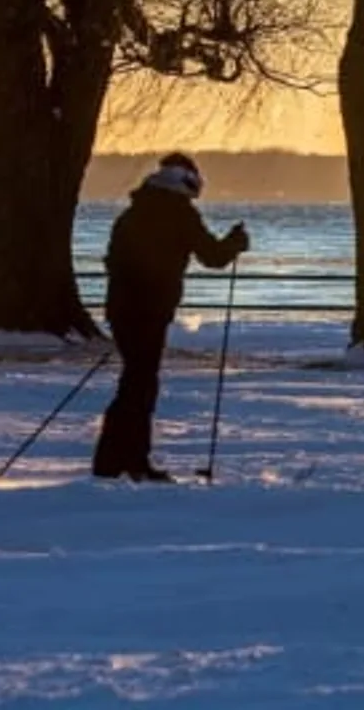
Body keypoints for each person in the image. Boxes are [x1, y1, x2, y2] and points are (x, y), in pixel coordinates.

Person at [92, 153, 249, 482]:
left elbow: (114, 261)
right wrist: (235, 243)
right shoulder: (180, 216)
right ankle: (123, 461)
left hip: (123, 311)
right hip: (150, 311)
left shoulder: (132, 215)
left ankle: (118, 460)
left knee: (135, 382)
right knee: (140, 384)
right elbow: (213, 256)